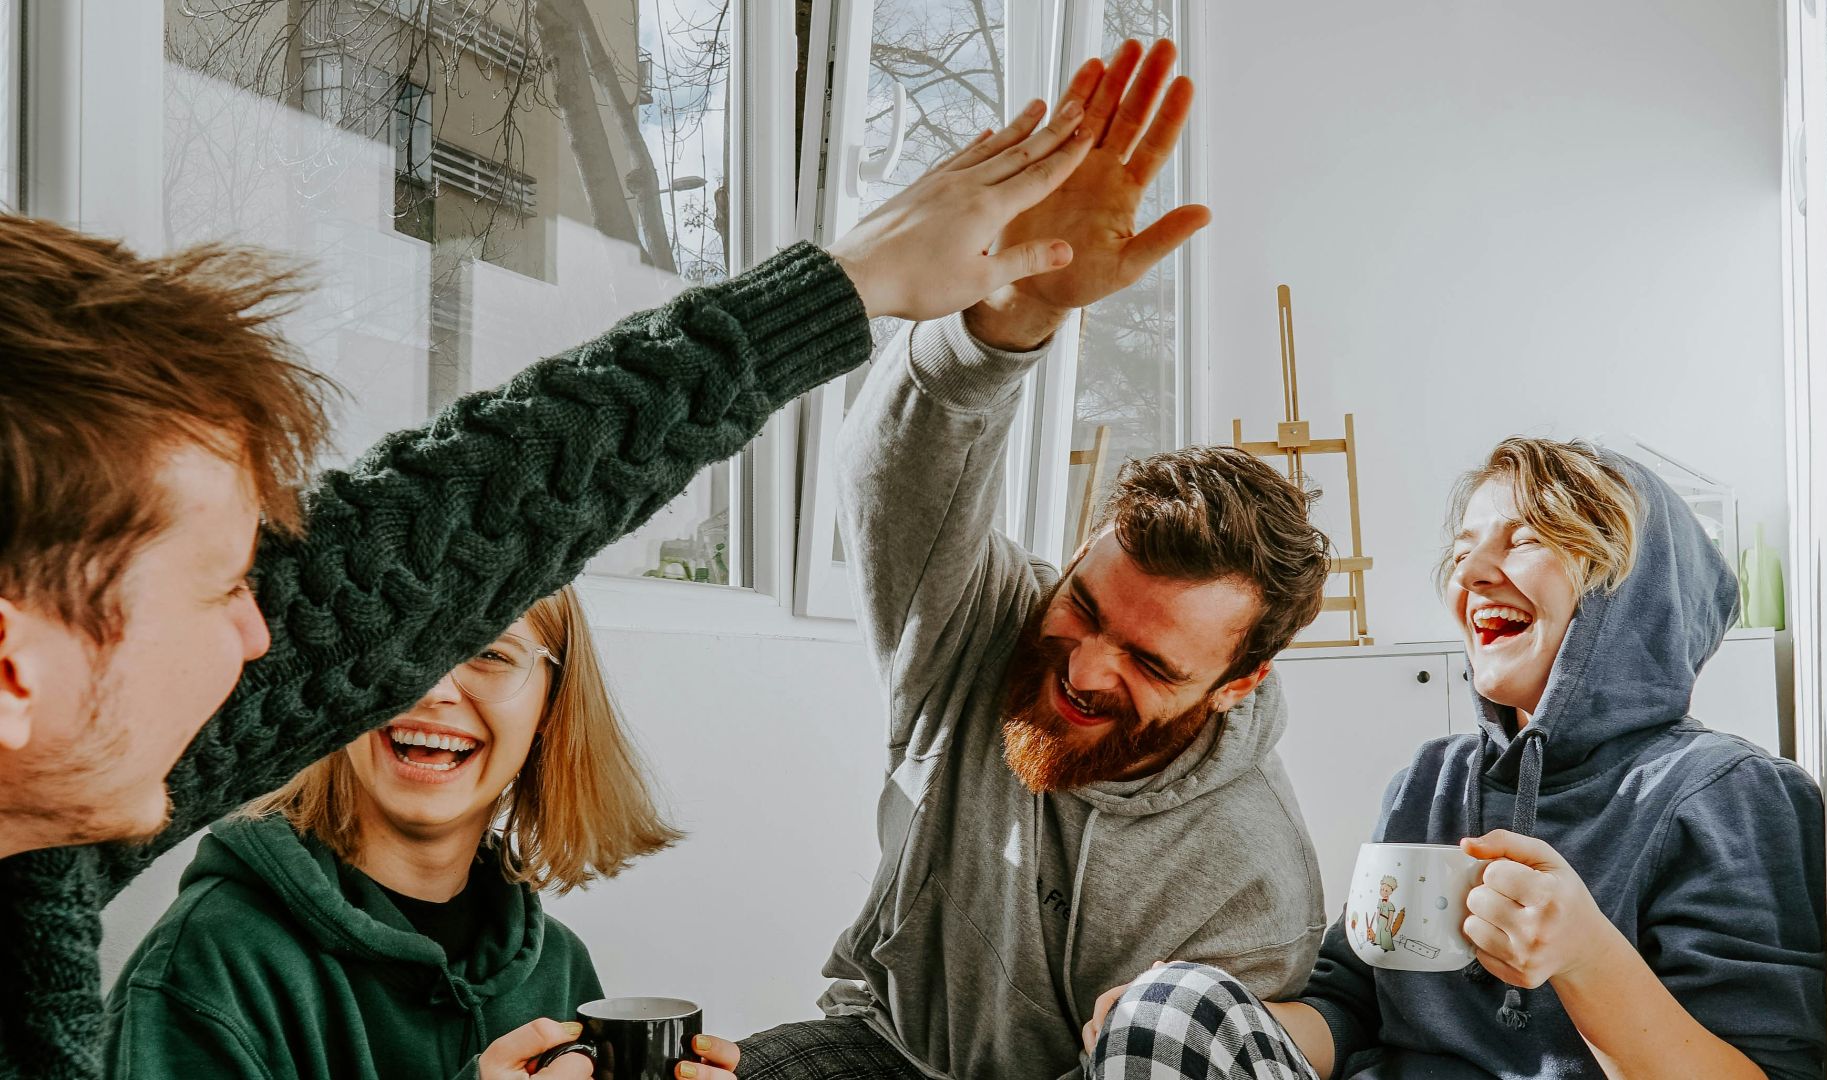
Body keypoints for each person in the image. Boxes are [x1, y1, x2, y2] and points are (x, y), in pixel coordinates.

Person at [0, 92, 1097, 1077]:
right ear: (15, 670)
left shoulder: (36, 846)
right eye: (222, 587)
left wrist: (849, 286)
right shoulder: (189, 949)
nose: (261, 634)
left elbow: (439, 533)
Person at [735, 40, 1334, 1080]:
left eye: (1153, 664)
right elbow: (898, 474)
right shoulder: (982, 632)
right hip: (875, 1049)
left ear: (1238, 686)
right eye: (1087, 607)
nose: (1088, 668)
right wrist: (1014, 319)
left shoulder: (1253, 884)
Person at [1084, 438, 1827, 1080]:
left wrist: (1586, 956)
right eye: (1465, 547)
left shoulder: (1728, 795)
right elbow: (1350, 1005)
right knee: (1171, 1009)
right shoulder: (1432, 780)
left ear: (1628, 589)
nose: (1471, 574)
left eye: (1526, 538)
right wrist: (1196, 1014)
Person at [103, 585, 738, 1079]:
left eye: (490, 653)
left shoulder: (558, 966)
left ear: (550, 705)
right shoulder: (208, 961)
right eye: (404, 644)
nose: (433, 690)